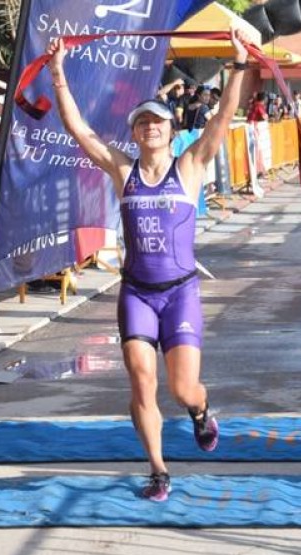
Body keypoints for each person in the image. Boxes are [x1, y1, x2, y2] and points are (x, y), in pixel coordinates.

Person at [46, 28, 249, 501]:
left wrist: (238, 65)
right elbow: (79, 130)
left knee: (182, 388)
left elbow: (223, 116)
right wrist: (57, 74)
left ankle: (201, 411)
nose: (150, 128)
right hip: (137, 292)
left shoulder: (192, 165)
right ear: (134, 133)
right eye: (142, 123)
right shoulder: (123, 170)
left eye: (157, 122)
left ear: (171, 131)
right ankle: (158, 469)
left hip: (180, 291)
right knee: (141, 382)